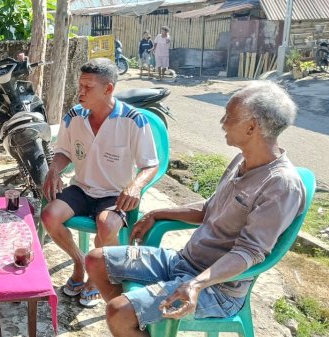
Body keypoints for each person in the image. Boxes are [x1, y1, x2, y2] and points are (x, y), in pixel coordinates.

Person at [85, 81, 306, 336]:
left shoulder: (281, 185)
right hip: (184, 261)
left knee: (117, 312)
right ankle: (144, 322)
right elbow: (209, 209)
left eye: (229, 116)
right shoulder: (243, 159)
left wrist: (196, 284)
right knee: (96, 260)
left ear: (251, 127)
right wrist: (156, 214)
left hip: (217, 288)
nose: (222, 122)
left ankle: (133, 318)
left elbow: (249, 253)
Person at [41, 58, 160, 308]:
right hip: (82, 188)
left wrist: (136, 185)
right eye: (80, 85)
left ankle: (97, 276)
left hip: (114, 193)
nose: (80, 92)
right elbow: (64, 151)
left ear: (108, 89)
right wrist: (54, 169)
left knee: (106, 226)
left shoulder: (133, 119)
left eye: (87, 87)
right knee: (49, 215)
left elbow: (150, 164)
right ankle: (79, 262)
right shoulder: (74, 116)